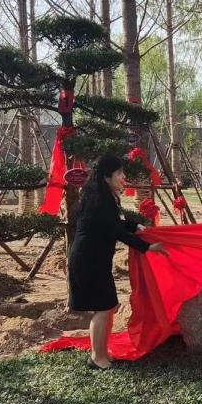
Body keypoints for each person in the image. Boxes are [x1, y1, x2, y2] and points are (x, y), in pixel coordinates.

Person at [69, 154, 166, 368]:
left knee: (109, 306)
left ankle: (102, 352)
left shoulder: (106, 196)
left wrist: (138, 227)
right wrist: (147, 247)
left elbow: (119, 222)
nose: (124, 177)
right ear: (107, 176)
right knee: (103, 308)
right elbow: (116, 231)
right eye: (119, 173)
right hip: (88, 261)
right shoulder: (100, 200)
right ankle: (97, 357)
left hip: (97, 260)